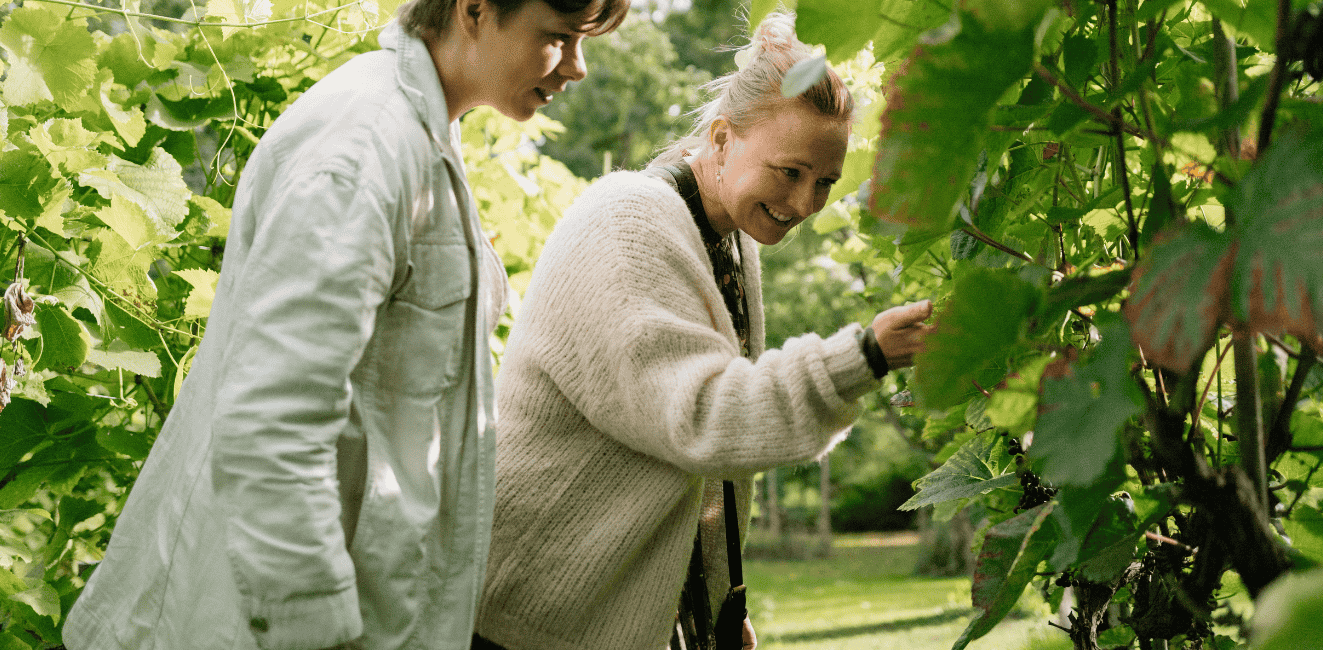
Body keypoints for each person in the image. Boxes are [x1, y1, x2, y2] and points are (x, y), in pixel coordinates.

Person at [61, 0, 624, 647]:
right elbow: (273, 423)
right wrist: (311, 623)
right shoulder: (362, 150)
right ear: (474, 9)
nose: (576, 67)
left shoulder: (418, 134)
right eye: (558, 37)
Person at [471, 13, 935, 650]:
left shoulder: (730, 240)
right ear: (722, 139)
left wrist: (712, 607)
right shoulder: (627, 225)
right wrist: (866, 355)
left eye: (825, 182)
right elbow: (704, 416)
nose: (804, 204)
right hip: (519, 620)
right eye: (790, 172)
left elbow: (704, 476)